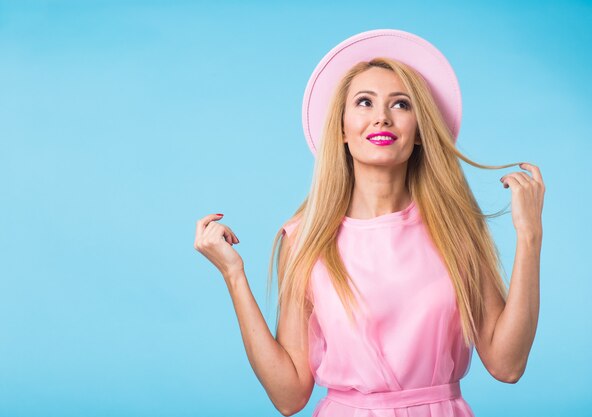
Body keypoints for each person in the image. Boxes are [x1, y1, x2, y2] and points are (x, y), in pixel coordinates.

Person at [194, 29, 545, 417]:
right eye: (364, 102)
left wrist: (530, 237)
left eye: (401, 105)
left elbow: (507, 365)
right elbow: (288, 395)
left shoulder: (457, 230)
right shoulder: (305, 238)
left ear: (420, 132)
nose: (381, 117)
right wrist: (234, 275)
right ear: (342, 129)